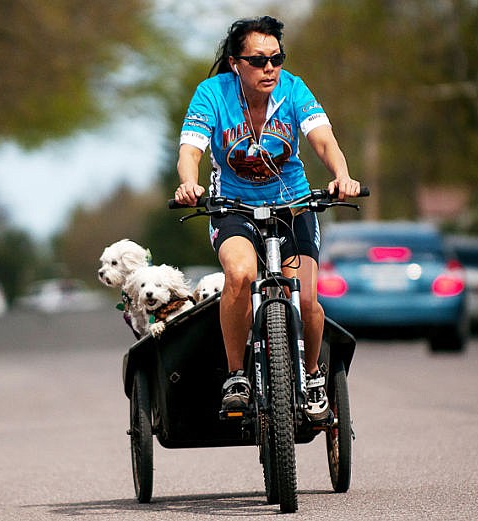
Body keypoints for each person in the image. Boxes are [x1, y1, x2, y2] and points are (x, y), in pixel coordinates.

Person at [173, 16, 361, 422]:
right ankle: (237, 375)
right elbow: (191, 150)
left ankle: (312, 376)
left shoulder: (293, 89)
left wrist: (341, 176)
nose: (270, 68)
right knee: (240, 274)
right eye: (258, 61)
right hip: (233, 206)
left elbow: (323, 139)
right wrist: (188, 184)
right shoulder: (212, 93)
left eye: (277, 58)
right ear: (235, 62)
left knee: (306, 297)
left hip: (292, 202)